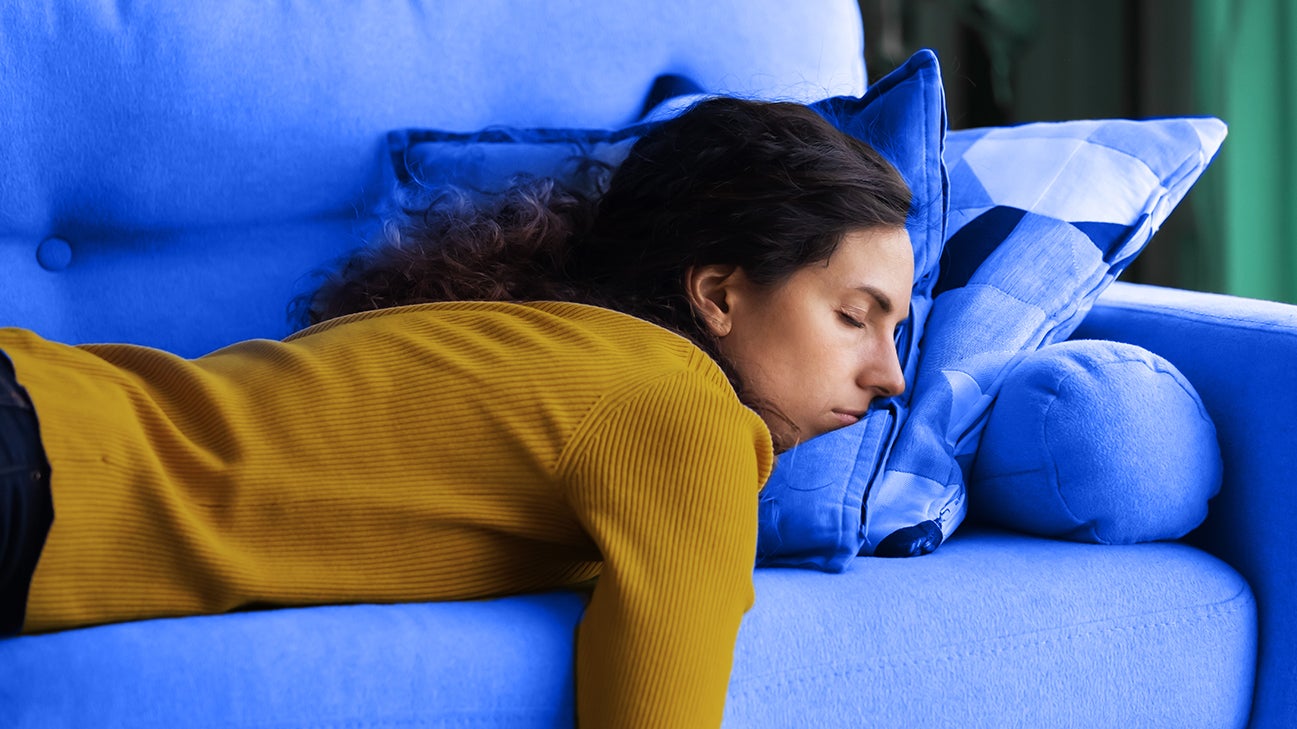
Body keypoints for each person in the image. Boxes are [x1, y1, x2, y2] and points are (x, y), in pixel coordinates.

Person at [0, 98, 913, 728]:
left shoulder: (558, 347)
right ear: (717, 292)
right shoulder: (684, 413)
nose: (891, 377)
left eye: (896, 331)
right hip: (36, 467)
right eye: (851, 316)